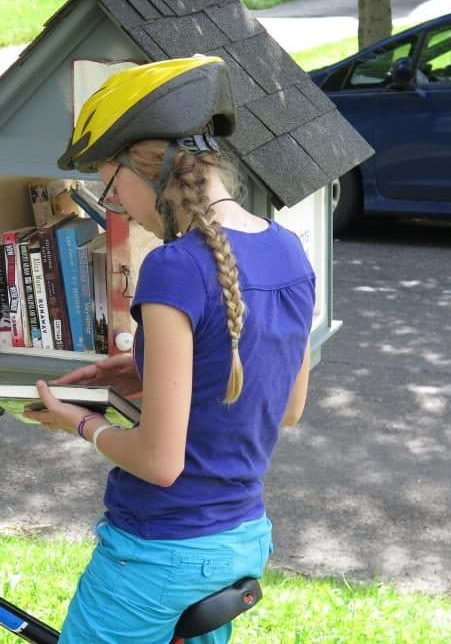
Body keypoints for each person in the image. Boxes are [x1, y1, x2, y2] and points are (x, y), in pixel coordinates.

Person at [25, 55, 315, 644]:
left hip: (159, 555)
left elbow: (160, 463)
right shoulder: (289, 250)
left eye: (110, 188)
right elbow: (286, 406)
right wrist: (149, 371)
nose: (117, 208)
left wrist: (78, 422)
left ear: (145, 167)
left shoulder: (173, 267)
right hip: (239, 542)